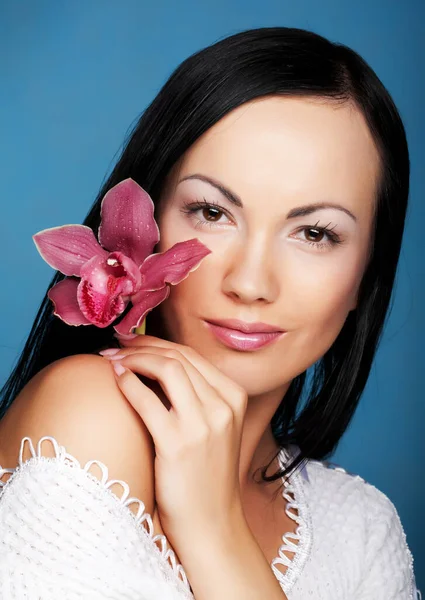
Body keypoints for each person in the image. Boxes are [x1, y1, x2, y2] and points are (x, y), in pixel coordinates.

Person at [0, 26, 420, 600]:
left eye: (316, 233)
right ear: (145, 225)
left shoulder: (364, 529)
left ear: (365, 278)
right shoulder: (90, 413)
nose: (250, 283)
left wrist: (215, 529)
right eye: (212, 212)